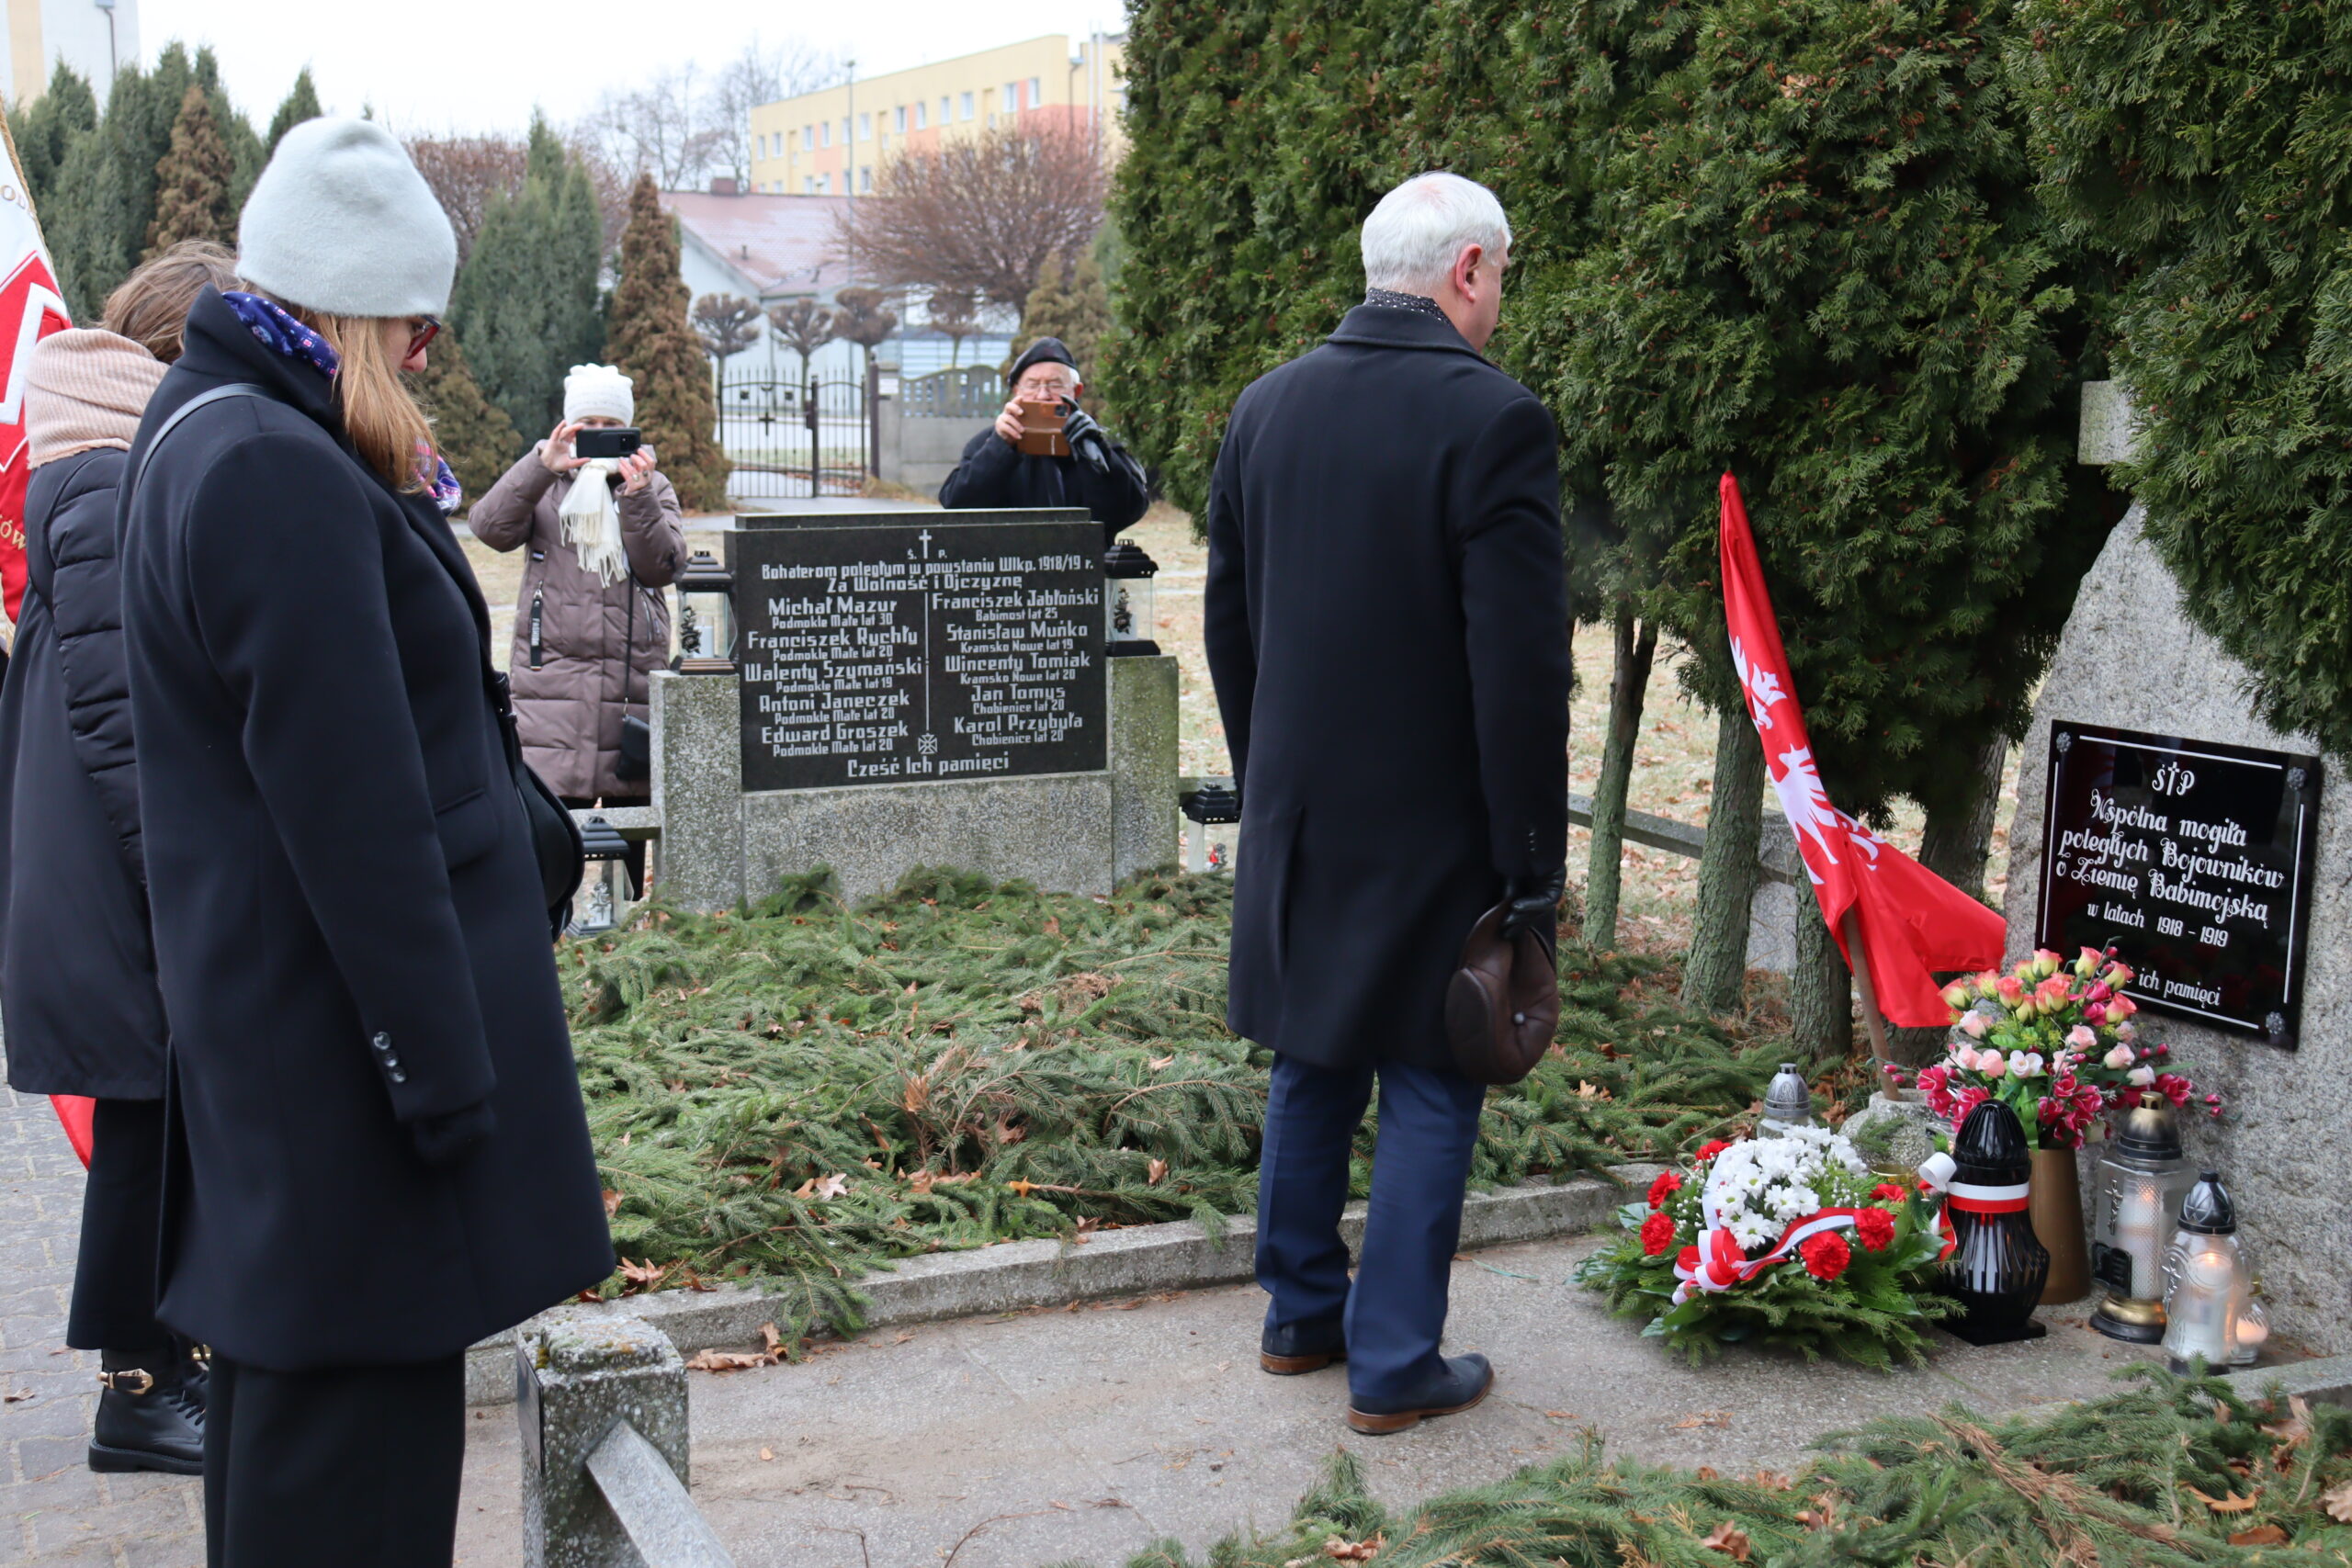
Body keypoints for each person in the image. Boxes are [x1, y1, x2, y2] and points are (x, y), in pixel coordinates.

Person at [119, 118, 612, 1566]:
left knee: (300, 1469)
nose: (423, 357)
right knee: (354, 1496)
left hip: (296, 1072)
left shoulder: (215, 426)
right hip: (347, 1097)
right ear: (353, 310)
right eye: (414, 329)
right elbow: (355, 816)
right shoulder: (270, 467)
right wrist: (445, 1081)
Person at [1204, 173, 1570, 1436]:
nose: (1501, 295)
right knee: (1429, 1073)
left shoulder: (1265, 406)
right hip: (1437, 819)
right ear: (1467, 268)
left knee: (1312, 1056)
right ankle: (1397, 1359)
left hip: (1299, 809)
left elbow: (1230, 622)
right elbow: (1518, 670)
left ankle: (1300, 1313)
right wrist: (1529, 858)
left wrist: (1269, 782)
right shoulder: (1495, 419)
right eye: (1501, 272)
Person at [0, 239, 241, 1476]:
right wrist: (176, 874)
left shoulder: (113, 455)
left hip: (102, 854)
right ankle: (137, 1388)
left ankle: (169, 1362)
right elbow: (116, 708)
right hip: (110, 864)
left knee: (166, 1110)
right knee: (147, 1115)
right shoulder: (106, 470)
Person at [469, 365, 682, 807]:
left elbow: (663, 567)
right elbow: (490, 529)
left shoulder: (652, 486)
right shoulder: (546, 482)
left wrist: (638, 497)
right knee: (554, 819)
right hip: (551, 679)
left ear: (628, 429)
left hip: (632, 678)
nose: (599, 433)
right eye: (588, 424)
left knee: (631, 823)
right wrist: (539, 467)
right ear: (568, 426)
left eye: (611, 424)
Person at [937, 335, 1150, 539]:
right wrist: (1000, 447)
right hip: (1011, 560)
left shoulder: (1100, 441)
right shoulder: (987, 443)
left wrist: (1096, 451)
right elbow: (957, 505)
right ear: (1016, 391)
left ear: (1076, 391)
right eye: (1032, 385)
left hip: (1084, 558)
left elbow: (1128, 511)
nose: (1043, 395)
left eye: (1055, 385)